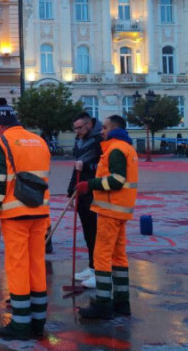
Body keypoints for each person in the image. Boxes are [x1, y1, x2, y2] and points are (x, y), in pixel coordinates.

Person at [0, 104, 51, 340]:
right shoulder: (39, 142)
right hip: (40, 211)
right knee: (36, 265)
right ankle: (38, 321)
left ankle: (21, 325)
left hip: (15, 214)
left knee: (18, 267)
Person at [75, 115, 138, 320]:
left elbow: (117, 180)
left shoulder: (116, 149)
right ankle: (121, 301)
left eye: (105, 127)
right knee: (119, 256)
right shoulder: (125, 148)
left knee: (102, 255)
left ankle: (103, 304)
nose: (101, 130)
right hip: (120, 208)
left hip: (110, 209)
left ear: (114, 129)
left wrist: (89, 185)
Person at [67, 112, 102, 289]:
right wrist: (70, 189)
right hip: (81, 189)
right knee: (88, 232)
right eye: (75, 128)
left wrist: (87, 166)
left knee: (95, 232)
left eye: (80, 127)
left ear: (89, 125)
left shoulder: (100, 140)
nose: (77, 131)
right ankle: (92, 266)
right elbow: (76, 165)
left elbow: (103, 165)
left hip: (95, 190)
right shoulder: (79, 141)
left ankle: (100, 271)